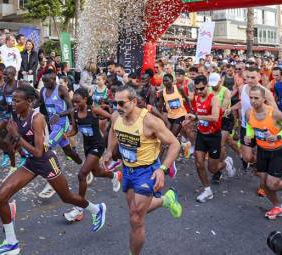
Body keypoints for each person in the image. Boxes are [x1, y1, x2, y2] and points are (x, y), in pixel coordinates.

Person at [0, 84, 107, 255]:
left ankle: (97, 209)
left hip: (45, 161)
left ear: (29, 101)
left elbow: (38, 152)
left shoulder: (37, 118)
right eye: (12, 100)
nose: (13, 103)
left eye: (17, 100)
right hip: (30, 163)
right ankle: (11, 243)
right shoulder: (16, 115)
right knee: (0, 197)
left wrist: (16, 137)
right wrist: (13, 145)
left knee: (66, 197)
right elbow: (17, 141)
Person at [103, 85, 182, 255]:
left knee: (136, 218)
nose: (118, 107)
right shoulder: (117, 116)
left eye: (122, 103)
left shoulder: (149, 121)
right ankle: (166, 200)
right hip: (128, 170)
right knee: (134, 210)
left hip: (148, 171)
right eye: (115, 103)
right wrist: (110, 150)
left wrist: (162, 169)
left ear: (133, 101)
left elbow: (175, 143)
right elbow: (113, 132)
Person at [62, 88, 121, 222]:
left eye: (78, 102)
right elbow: (75, 130)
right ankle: (114, 175)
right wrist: (67, 134)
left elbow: (112, 118)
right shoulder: (74, 112)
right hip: (87, 146)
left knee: (82, 174)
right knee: (97, 172)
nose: (75, 104)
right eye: (74, 102)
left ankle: (79, 209)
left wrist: (110, 132)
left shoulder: (93, 110)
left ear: (85, 99)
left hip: (97, 146)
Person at [244, 85, 282, 220]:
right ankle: (277, 206)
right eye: (251, 98)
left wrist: (278, 136)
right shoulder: (248, 113)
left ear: (263, 99)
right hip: (262, 151)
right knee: (263, 185)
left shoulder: (273, 113)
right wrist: (248, 135)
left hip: (276, 152)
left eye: (256, 98)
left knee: (272, 185)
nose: (253, 101)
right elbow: (250, 125)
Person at [186, 75, 235, 202]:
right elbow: (198, 116)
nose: (199, 91)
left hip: (214, 136)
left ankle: (226, 162)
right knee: (198, 163)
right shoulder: (197, 98)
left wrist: (197, 117)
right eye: (197, 89)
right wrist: (190, 121)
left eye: (202, 88)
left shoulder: (214, 99)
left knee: (212, 169)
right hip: (202, 135)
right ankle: (207, 191)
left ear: (207, 86)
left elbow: (214, 117)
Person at [37, 71, 83, 199]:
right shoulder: (43, 91)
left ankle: (52, 181)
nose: (45, 84)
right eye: (44, 81)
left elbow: (71, 108)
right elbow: (41, 106)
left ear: (54, 80)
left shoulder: (61, 89)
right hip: (52, 125)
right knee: (68, 151)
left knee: (46, 148)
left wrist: (71, 123)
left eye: (48, 81)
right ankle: (84, 166)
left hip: (62, 125)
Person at [158, 73, 191, 156]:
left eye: (167, 81)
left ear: (172, 81)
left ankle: (168, 158)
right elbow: (160, 105)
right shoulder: (162, 92)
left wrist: (191, 110)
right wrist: (158, 116)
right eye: (164, 81)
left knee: (171, 137)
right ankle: (183, 144)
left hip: (180, 115)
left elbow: (187, 99)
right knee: (166, 136)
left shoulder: (179, 88)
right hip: (170, 116)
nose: (165, 82)